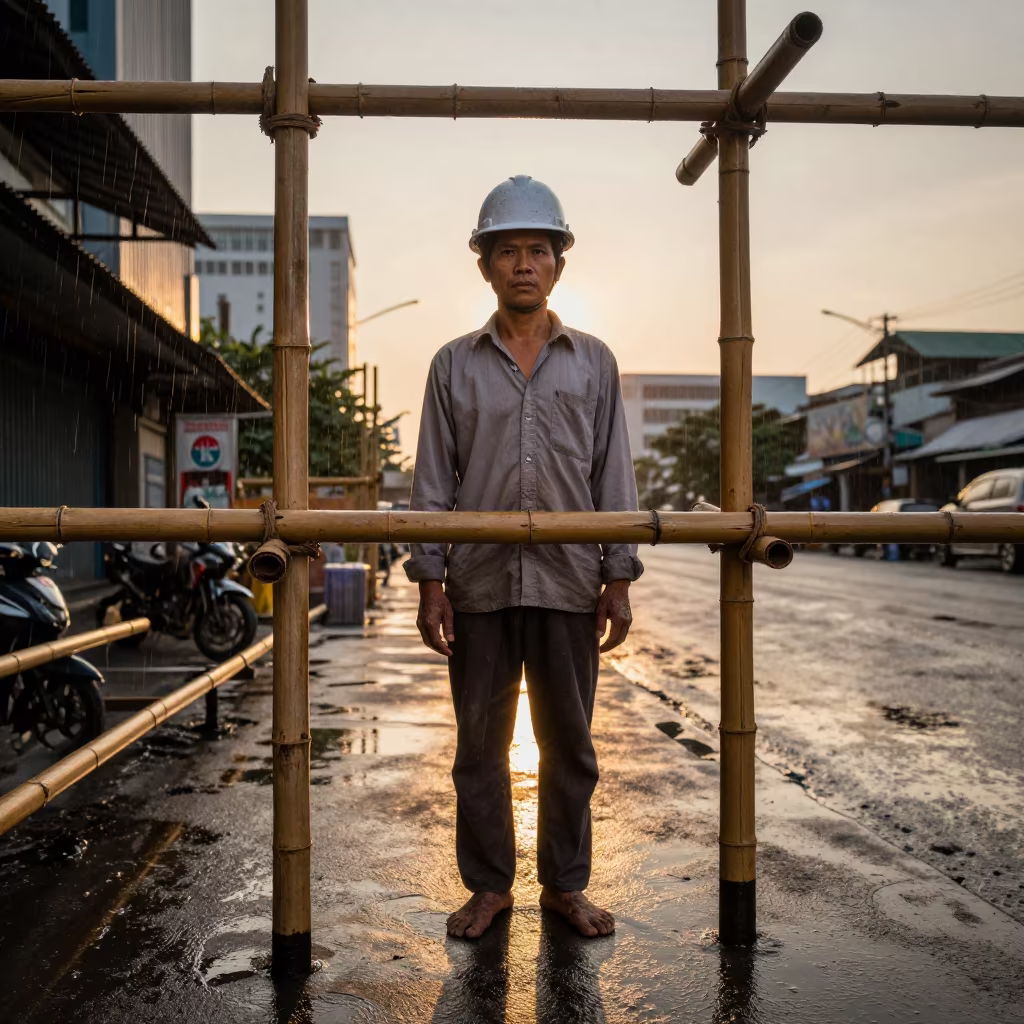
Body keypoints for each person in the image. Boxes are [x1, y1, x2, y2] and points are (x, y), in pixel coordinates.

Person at [405, 175, 643, 941]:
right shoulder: (452, 365)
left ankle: (566, 886)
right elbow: (433, 483)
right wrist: (429, 583)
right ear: (485, 266)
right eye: (507, 251)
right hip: (475, 587)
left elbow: (614, 478)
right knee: (479, 745)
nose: (523, 265)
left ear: (559, 264)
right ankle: (489, 887)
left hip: (571, 584)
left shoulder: (595, 363)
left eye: (538, 250)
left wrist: (619, 578)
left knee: (570, 744)